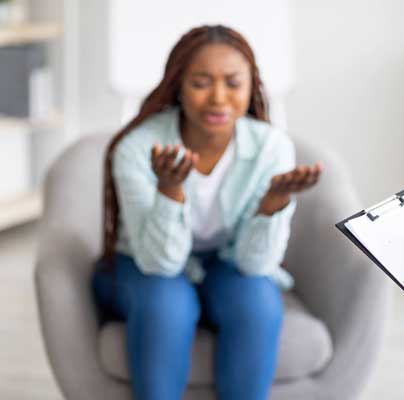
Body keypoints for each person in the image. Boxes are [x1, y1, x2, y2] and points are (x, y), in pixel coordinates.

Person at [92, 25, 322, 400]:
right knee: (168, 306)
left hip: (226, 260)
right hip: (144, 263)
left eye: (233, 83)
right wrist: (169, 190)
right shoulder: (138, 148)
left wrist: (272, 204)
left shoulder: (271, 147)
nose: (218, 98)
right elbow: (160, 263)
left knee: (258, 304)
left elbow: (254, 265)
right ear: (178, 85)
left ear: (251, 88)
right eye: (201, 83)